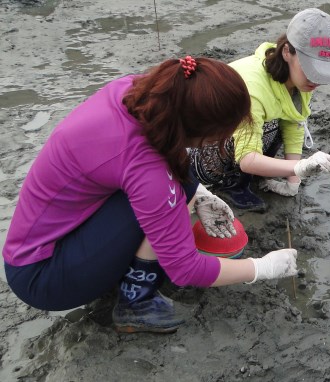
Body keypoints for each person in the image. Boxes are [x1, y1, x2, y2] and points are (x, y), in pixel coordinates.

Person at [3, 56, 299, 334]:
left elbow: (162, 154)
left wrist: (198, 192)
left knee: (173, 193)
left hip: (42, 242)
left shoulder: (137, 93)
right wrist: (262, 267)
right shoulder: (147, 170)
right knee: (169, 201)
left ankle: (118, 271)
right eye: (215, 138)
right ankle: (136, 302)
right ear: (195, 131)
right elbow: (186, 269)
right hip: (42, 277)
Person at [190, 8, 330, 211]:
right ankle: (233, 185)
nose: (316, 79)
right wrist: (300, 166)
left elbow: (294, 123)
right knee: (269, 123)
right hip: (197, 155)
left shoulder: (301, 81)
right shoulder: (253, 87)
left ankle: (250, 176)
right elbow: (247, 159)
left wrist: (293, 182)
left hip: (235, 142)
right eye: (311, 68)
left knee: (279, 119)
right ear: (287, 51)